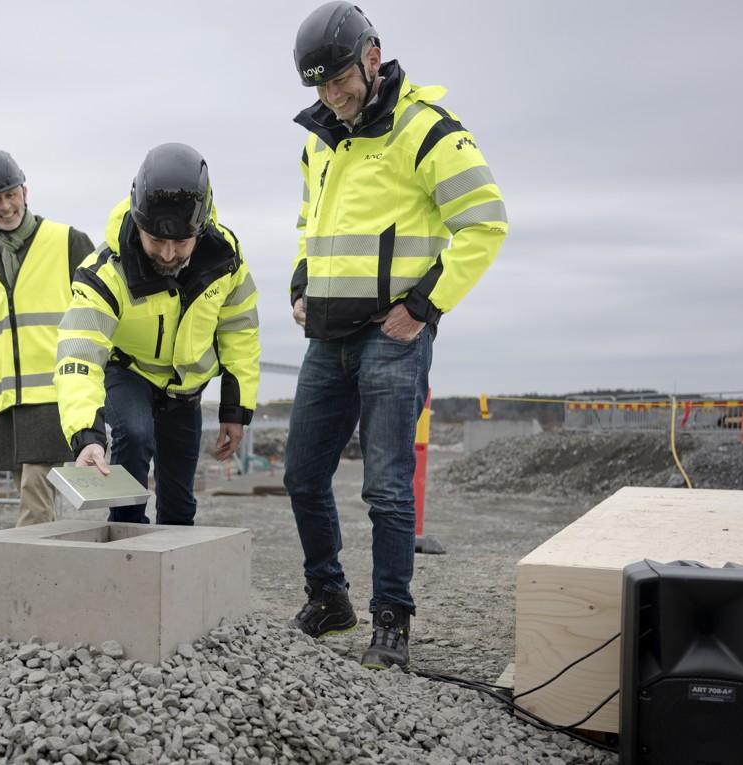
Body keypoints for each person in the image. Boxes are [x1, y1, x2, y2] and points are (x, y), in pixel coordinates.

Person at [284, 3, 508, 668]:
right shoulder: (319, 140)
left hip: (392, 334)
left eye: (340, 79)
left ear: (373, 57)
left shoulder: (427, 129)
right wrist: (301, 281)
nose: (333, 94)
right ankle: (329, 599)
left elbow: (486, 222)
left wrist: (424, 306)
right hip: (327, 336)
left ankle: (391, 620)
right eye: (319, 85)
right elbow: (311, 223)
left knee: (385, 485)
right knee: (301, 473)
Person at [54, 143, 261, 525]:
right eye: (156, 242)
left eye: (181, 243)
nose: (168, 255)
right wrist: (87, 435)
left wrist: (236, 410)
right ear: (138, 222)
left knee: (180, 503)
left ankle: (175, 566)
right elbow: (79, 353)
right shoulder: (105, 273)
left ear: (200, 229)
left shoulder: (225, 259)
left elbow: (240, 330)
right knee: (134, 433)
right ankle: (128, 534)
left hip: (185, 388)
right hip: (128, 372)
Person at [0, 150, 95, 526]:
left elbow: (100, 317)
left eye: (10, 194)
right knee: (23, 486)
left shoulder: (69, 241)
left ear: (25, 190)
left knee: (35, 499)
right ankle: (47, 572)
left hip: (54, 393)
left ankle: (36, 579)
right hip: (8, 400)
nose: (5, 205)